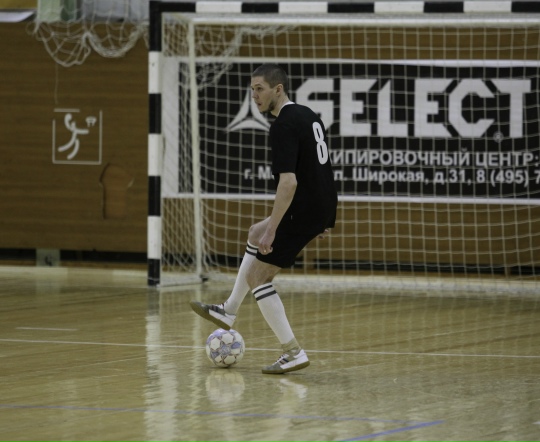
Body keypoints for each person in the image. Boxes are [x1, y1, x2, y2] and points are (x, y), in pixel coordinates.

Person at [190, 64, 337, 374]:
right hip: (317, 205)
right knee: (255, 233)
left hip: (304, 207)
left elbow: (289, 183)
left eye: (260, 89)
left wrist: (274, 230)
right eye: (252, 89)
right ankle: (228, 310)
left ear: (278, 89)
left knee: (259, 276)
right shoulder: (309, 116)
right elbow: (323, 168)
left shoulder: (283, 124)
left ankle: (293, 352)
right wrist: (326, 215)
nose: (254, 95)